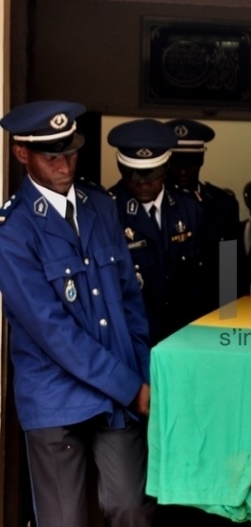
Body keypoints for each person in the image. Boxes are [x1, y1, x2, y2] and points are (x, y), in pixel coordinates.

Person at [0, 101, 153, 527]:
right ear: (21, 153)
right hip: (55, 396)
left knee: (131, 507)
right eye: (52, 155)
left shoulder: (99, 207)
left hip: (117, 394)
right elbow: (55, 332)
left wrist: (142, 375)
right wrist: (129, 385)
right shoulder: (13, 232)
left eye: (70, 152)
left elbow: (129, 303)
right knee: (64, 519)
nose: (64, 164)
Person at [107, 119, 204, 346]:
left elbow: (206, 278)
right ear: (121, 167)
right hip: (131, 338)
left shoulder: (191, 208)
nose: (143, 184)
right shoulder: (107, 211)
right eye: (135, 174)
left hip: (183, 337)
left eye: (151, 174)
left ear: (166, 166)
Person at [164, 118, 240, 308]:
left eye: (190, 163)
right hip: (167, 312)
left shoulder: (223, 204)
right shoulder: (154, 204)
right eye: (176, 163)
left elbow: (231, 270)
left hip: (210, 309)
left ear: (201, 160)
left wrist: (228, 317)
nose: (182, 170)